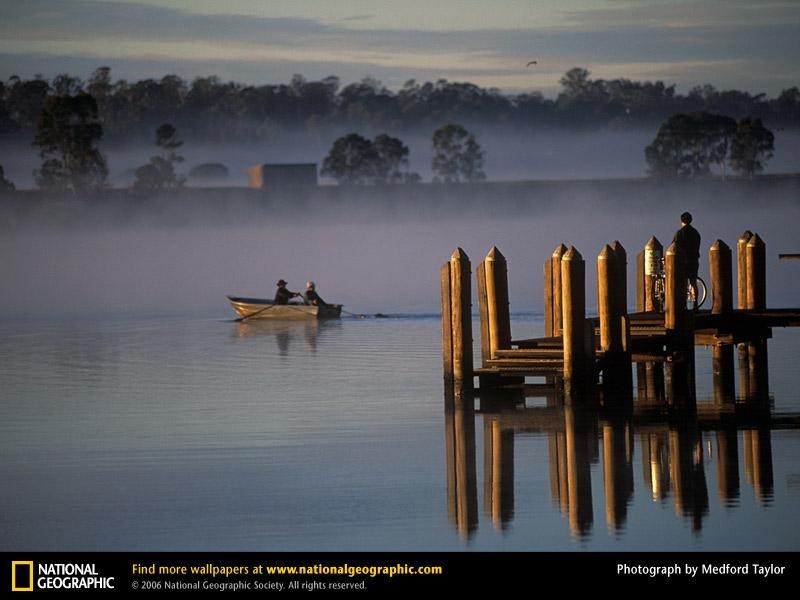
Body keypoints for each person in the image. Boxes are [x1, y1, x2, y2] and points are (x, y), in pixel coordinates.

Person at [671, 212, 701, 309]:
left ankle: (683, 305)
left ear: (681, 221)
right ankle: (695, 304)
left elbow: (673, 247)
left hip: (683, 262)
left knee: (683, 283)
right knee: (693, 283)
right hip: (694, 261)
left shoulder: (680, 233)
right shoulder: (696, 233)